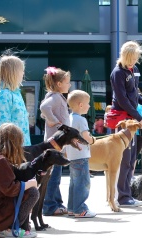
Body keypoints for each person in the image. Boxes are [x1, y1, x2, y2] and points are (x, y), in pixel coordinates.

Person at [110, 40, 142, 207]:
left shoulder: (134, 70)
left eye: (135, 58)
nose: (132, 62)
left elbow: (135, 93)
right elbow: (122, 99)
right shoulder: (118, 72)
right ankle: (122, 197)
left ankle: (127, 194)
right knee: (124, 160)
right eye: (130, 58)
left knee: (131, 161)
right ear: (123, 55)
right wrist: (138, 116)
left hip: (133, 119)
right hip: (124, 120)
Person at [40, 66, 72, 216]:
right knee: (54, 177)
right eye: (67, 82)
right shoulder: (56, 97)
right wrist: (53, 121)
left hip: (55, 144)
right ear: (59, 84)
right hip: (56, 145)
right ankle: (50, 206)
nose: (69, 85)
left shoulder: (54, 96)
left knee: (55, 176)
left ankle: (56, 203)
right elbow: (44, 107)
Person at [66, 90, 97, 218]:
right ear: (80, 105)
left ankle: (72, 208)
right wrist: (93, 140)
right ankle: (80, 209)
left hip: (71, 155)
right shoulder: (81, 120)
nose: (89, 106)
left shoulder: (68, 118)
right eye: (88, 103)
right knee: (83, 183)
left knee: (74, 183)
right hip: (81, 156)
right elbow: (86, 137)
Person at [0, 52, 31, 146]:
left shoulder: (16, 94)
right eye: (21, 70)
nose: (23, 73)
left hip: (22, 145)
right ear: (13, 72)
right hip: (10, 148)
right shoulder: (3, 94)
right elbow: (3, 126)